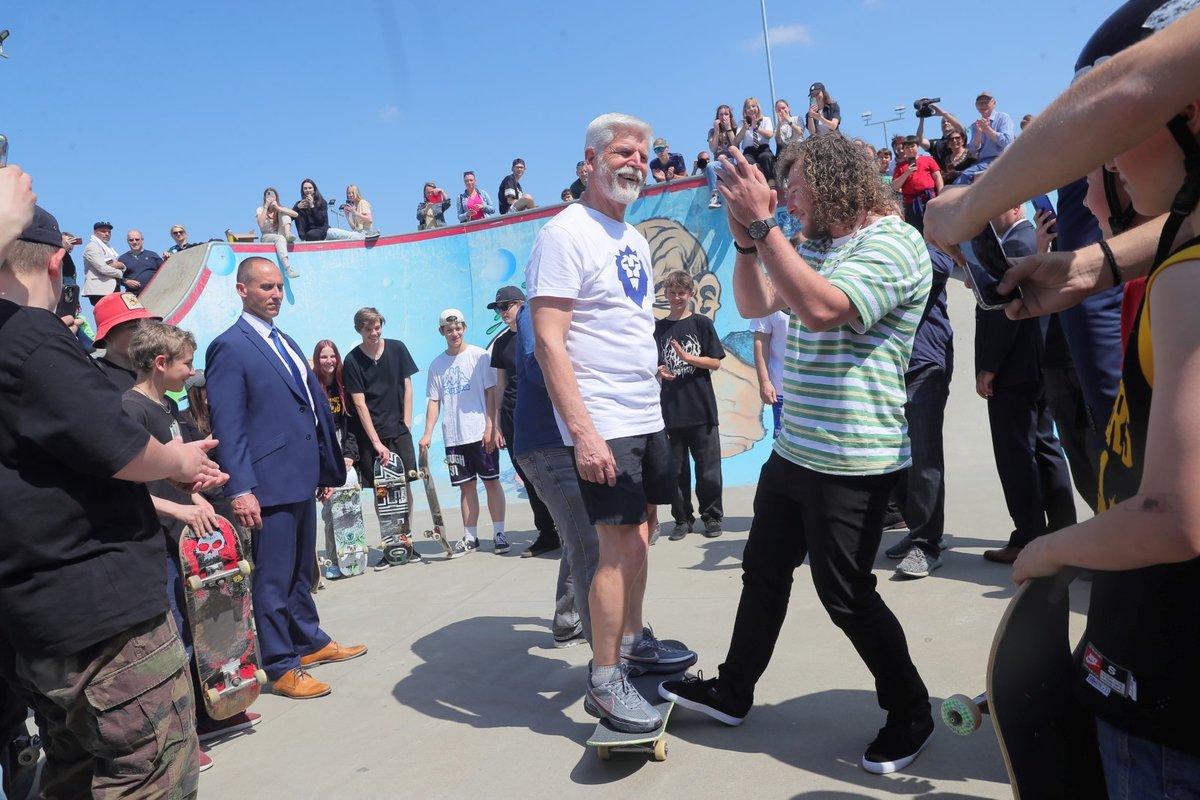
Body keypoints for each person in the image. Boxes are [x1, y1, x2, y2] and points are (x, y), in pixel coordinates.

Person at [660, 134, 934, 774]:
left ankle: (911, 709)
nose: (788, 196)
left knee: (845, 595)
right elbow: (756, 304)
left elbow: (820, 309)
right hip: (795, 450)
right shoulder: (811, 244)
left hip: (852, 456)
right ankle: (734, 690)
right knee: (763, 571)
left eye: (798, 183)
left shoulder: (895, 242)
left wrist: (763, 224)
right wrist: (750, 239)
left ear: (838, 179)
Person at [999, 4, 1200, 791]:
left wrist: (1048, 549)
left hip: (1163, 693)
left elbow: (1173, 518)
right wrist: (1094, 267)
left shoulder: (1188, 278)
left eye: (1110, 150)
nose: (1094, 176)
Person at [0, 193, 227, 797]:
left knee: (72, 777)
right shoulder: (29, 337)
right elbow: (119, 448)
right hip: (103, 625)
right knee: (152, 775)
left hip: (38, 625)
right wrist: (177, 460)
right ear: (56, 265)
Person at [527, 112, 697, 734]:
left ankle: (631, 642)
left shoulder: (628, 237)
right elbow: (549, 342)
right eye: (623, 152)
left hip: (644, 412)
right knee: (616, 544)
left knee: (644, 530)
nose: (635, 163)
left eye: (643, 155)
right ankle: (604, 679)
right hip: (604, 419)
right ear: (590, 161)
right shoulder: (565, 233)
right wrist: (585, 432)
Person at [206, 256, 366, 700]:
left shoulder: (285, 340)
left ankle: (309, 642)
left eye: (278, 287)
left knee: (300, 570)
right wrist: (240, 487)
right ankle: (279, 664)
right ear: (242, 291)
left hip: (299, 475)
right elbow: (229, 424)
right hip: (267, 482)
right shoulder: (230, 346)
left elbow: (310, 406)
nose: (275, 294)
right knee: (273, 578)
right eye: (265, 288)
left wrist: (322, 465)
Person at [122, 321, 262, 771]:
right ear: (160, 363)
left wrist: (201, 496)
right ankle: (183, 736)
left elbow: (172, 473)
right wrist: (181, 511)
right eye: (185, 363)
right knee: (177, 635)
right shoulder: (131, 410)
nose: (191, 371)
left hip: (189, 539)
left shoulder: (166, 405)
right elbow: (129, 485)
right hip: (160, 542)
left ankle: (211, 714)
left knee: (206, 628)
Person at [973, 208, 1077, 566]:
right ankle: (1063, 530)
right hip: (1038, 363)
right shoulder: (1027, 240)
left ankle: (1027, 536)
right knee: (1045, 446)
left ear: (1017, 207)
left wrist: (989, 366)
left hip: (1015, 368)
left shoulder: (1017, 243)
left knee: (1016, 454)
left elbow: (1007, 310)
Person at [885, 246, 956, 578]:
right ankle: (918, 531)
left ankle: (927, 544)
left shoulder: (921, 248)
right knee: (895, 457)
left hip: (924, 364)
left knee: (923, 455)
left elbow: (940, 267)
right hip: (888, 370)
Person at [341, 307, 427, 569]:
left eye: (377, 327)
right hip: (372, 435)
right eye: (369, 329)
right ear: (360, 330)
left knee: (404, 486)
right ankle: (390, 544)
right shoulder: (353, 360)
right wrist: (376, 442)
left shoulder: (397, 348)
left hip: (399, 430)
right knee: (383, 491)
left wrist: (407, 421)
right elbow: (359, 404)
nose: (374, 332)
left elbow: (407, 385)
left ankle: (406, 541)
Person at [419, 308, 507, 555]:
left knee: (491, 482)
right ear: (442, 332)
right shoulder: (437, 365)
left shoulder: (479, 356)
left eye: (458, 328)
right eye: (449, 330)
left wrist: (491, 426)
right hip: (454, 438)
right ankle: (470, 537)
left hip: (480, 433)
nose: (454, 333)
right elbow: (434, 401)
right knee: (466, 487)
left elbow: (492, 391)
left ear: (464, 328)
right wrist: (427, 433)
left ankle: (499, 533)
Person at [485, 287, 560, 558]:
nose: (503, 312)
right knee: (530, 479)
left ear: (522, 304)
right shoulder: (502, 344)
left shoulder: (541, 333)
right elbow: (499, 388)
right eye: (498, 308)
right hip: (513, 418)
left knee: (556, 473)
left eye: (507, 306)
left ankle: (568, 527)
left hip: (544, 414)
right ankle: (547, 533)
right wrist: (496, 426)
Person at [655, 269, 726, 540]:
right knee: (676, 472)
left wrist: (688, 357)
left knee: (708, 470)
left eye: (681, 293)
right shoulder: (659, 329)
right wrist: (659, 371)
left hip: (702, 409)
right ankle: (682, 519)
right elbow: (654, 364)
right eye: (672, 293)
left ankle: (712, 517)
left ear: (691, 294)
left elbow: (716, 362)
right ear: (666, 294)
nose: (676, 297)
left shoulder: (702, 324)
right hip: (671, 412)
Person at [313, 339, 361, 579]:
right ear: (317, 359)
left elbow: (351, 423)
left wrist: (350, 454)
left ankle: (351, 555)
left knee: (348, 509)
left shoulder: (343, 385)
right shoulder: (311, 385)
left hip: (343, 452)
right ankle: (333, 559)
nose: (328, 361)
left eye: (332, 356)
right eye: (323, 357)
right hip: (323, 454)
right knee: (329, 511)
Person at [92, 290, 159, 390]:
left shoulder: (155, 371)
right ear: (108, 336)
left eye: (146, 324)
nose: (144, 331)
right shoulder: (97, 378)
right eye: (133, 327)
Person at [955, 91, 1014, 185]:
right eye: (980, 103)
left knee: (965, 176)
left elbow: (1006, 141)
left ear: (994, 103)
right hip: (982, 163)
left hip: (1001, 159)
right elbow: (973, 149)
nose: (983, 105)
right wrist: (979, 133)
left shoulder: (1003, 117)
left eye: (986, 102)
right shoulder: (975, 125)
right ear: (976, 107)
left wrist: (987, 129)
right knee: (956, 178)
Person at [891, 136, 943, 233]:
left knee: (935, 225)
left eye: (912, 146)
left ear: (918, 146)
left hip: (929, 196)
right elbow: (895, 187)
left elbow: (937, 176)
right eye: (907, 147)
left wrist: (941, 194)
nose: (910, 149)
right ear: (904, 150)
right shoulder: (900, 167)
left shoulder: (928, 160)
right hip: (911, 201)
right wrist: (906, 173)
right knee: (916, 229)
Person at [750, 310, 788, 439]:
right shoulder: (769, 298)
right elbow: (761, 340)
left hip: (822, 390)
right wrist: (764, 382)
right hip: (783, 391)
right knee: (785, 447)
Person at [294, 178, 360, 241]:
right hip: (310, 235)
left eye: (310, 188)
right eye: (305, 188)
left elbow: (320, 221)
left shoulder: (322, 202)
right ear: (302, 190)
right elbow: (290, 217)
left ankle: (363, 236)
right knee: (311, 235)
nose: (308, 190)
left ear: (314, 190)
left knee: (349, 235)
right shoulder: (299, 205)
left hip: (325, 231)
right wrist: (297, 208)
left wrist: (312, 206)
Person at [256, 187, 300, 279]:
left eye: (272, 195)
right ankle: (288, 269)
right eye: (268, 195)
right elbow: (261, 224)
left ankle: (288, 234)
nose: (270, 197)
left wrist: (278, 208)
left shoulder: (279, 208)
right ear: (264, 198)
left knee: (284, 213)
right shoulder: (260, 209)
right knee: (280, 238)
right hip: (267, 236)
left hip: (280, 233)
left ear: (276, 197)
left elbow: (295, 214)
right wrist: (266, 206)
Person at [81, 220, 125, 305]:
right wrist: (120, 273)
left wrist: (122, 265)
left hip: (110, 288)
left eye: (109, 232)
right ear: (95, 232)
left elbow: (117, 265)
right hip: (100, 289)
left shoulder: (108, 248)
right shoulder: (92, 247)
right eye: (103, 231)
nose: (107, 234)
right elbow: (102, 268)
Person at [736, 96, 775, 185]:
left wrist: (756, 128)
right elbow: (737, 140)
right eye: (748, 107)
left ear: (758, 108)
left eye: (753, 106)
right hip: (749, 151)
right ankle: (752, 186)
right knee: (745, 161)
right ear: (745, 110)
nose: (751, 109)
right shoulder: (742, 123)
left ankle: (772, 185)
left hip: (763, 148)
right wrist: (744, 129)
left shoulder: (766, 119)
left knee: (765, 158)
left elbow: (769, 135)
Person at [706, 104, 738, 209]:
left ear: (730, 116)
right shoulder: (712, 131)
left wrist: (728, 129)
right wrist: (716, 131)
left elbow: (736, 145)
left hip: (732, 160)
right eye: (721, 114)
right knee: (710, 166)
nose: (723, 117)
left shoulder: (735, 129)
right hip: (718, 162)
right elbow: (713, 148)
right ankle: (714, 196)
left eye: (726, 114)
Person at [118, 228, 163, 294]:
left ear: (142, 240)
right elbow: (117, 277)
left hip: (154, 294)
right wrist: (126, 281)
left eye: (137, 239)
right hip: (133, 298)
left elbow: (164, 270)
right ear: (127, 241)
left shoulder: (153, 255)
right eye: (131, 240)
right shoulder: (122, 259)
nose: (134, 242)